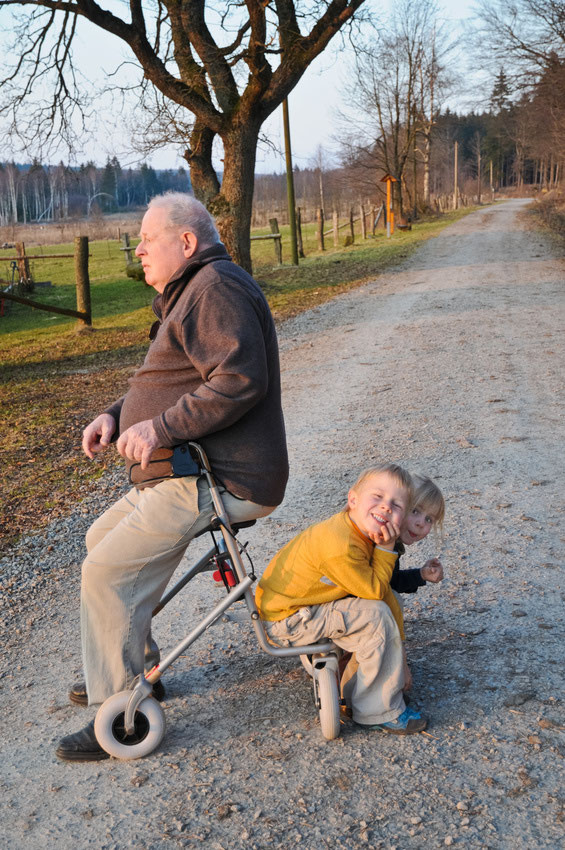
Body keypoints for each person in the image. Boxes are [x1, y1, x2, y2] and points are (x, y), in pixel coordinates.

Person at [56, 192, 289, 761]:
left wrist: (160, 429)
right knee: (101, 543)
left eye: (146, 238)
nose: (137, 249)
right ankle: (138, 667)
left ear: (186, 242)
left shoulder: (216, 289)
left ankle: (121, 710)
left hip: (220, 476)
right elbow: (174, 379)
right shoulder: (191, 293)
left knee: (107, 571)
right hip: (185, 473)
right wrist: (117, 414)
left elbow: (238, 379)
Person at [255, 464, 428, 735]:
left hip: (300, 607)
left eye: (396, 505)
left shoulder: (357, 529)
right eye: (378, 497)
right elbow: (374, 593)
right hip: (286, 621)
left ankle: (360, 680)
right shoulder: (342, 545)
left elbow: (385, 593)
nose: (385, 508)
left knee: (386, 603)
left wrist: (401, 655)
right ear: (353, 500)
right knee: (375, 615)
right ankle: (375, 709)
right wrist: (385, 548)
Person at [390, 475, 446, 693]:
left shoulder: (392, 541)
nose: (421, 522)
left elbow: (392, 580)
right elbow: (383, 593)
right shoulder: (382, 539)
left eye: (429, 519)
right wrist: (402, 661)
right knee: (392, 601)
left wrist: (421, 574)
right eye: (415, 511)